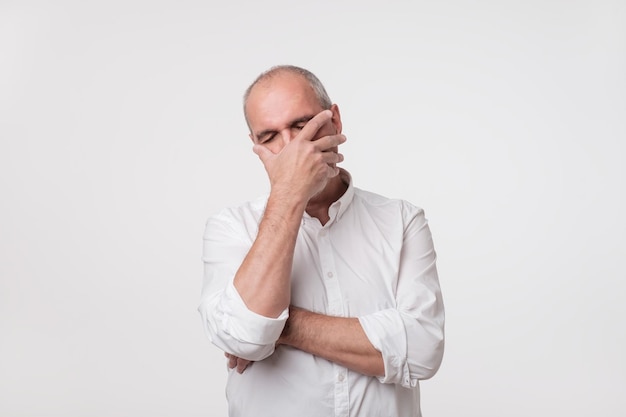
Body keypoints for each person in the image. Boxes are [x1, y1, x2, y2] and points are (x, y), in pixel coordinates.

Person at [198, 65, 445, 417]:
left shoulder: (402, 221)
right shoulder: (230, 228)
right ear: (255, 147)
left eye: (302, 126)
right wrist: (288, 195)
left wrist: (278, 326)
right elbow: (247, 337)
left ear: (336, 121)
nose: (292, 147)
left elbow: (421, 350)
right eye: (270, 137)